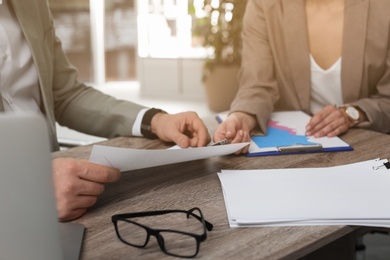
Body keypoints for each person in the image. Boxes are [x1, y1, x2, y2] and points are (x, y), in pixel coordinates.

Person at [0, 0, 210, 221]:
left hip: (67, 194)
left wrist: (154, 120)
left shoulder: (33, 5)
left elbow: (65, 94)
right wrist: (29, 187)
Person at [213, 0, 390, 154]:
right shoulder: (264, 6)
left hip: (369, 148)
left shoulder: (383, 8)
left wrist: (354, 113)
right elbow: (256, 84)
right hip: (293, 153)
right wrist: (242, 116)